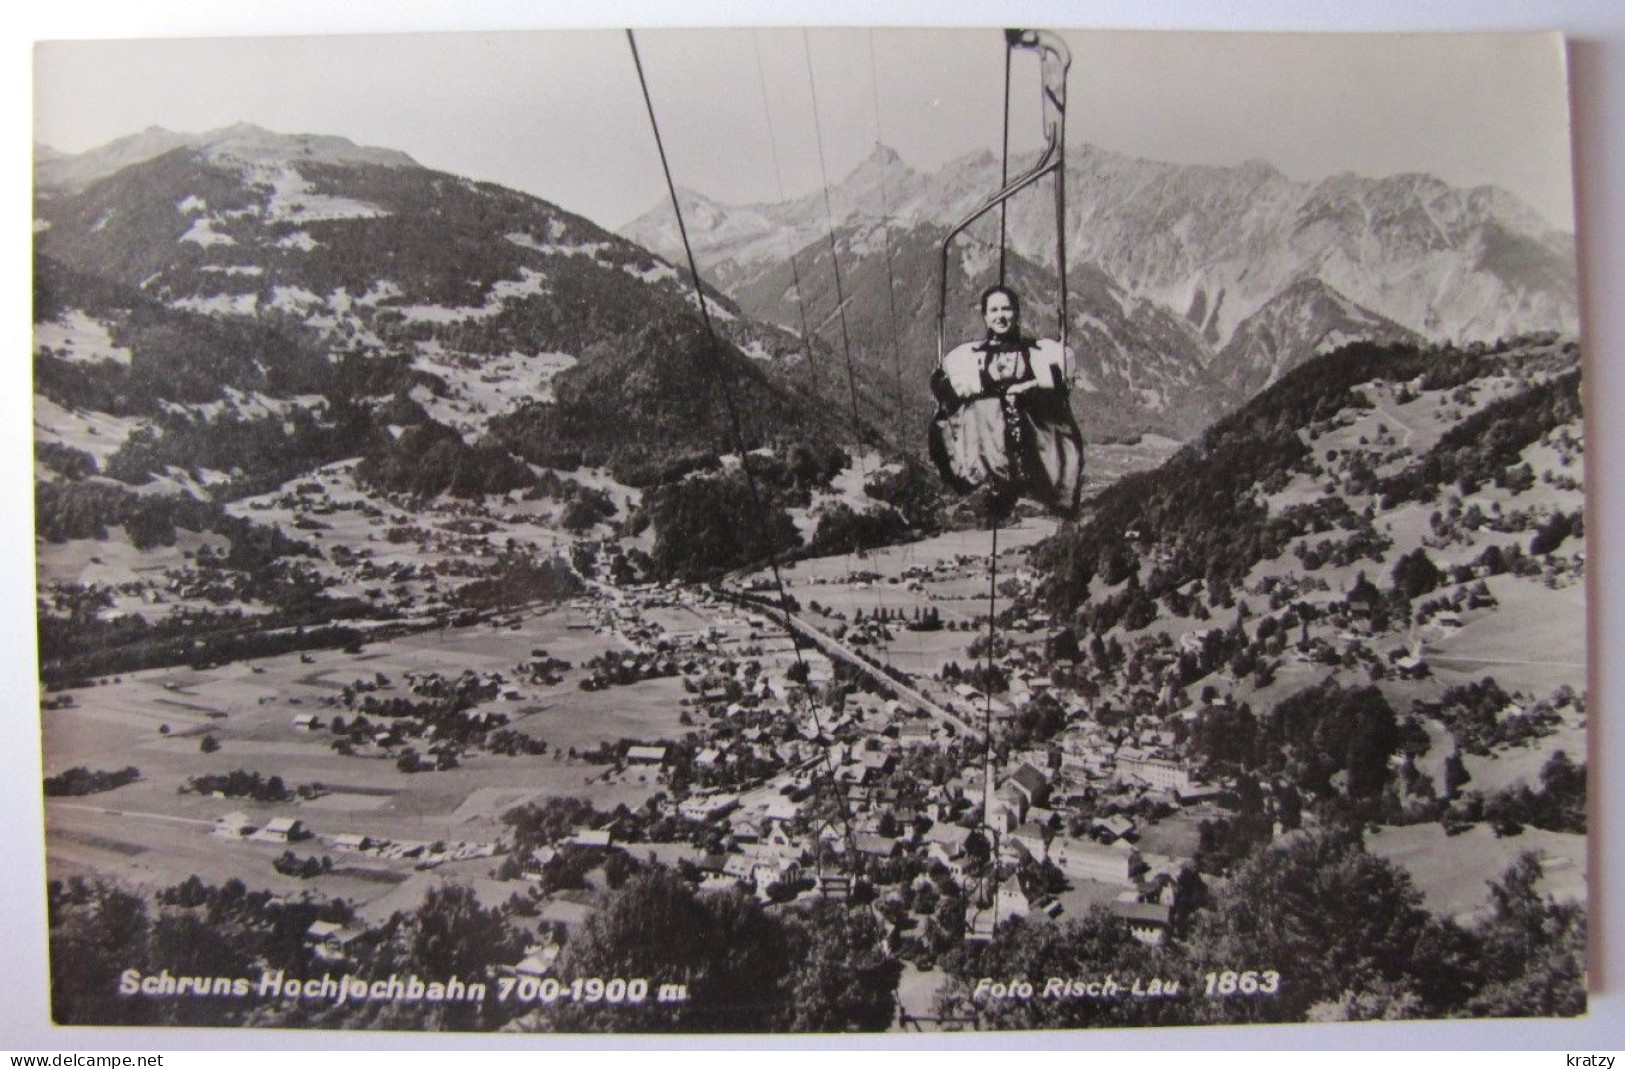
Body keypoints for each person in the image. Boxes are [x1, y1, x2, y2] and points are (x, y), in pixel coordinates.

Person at [928, 285, 1084, 519]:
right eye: (994, 311)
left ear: (1016, 313)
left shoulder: (1037, 353)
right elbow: (955, 397)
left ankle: (1035, 483)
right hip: (988, 441)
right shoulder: (972, 357)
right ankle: (989, 481)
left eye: (1006, 309)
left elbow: (1054, 394)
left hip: (1029, 436)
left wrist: (1023, 392)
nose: (1000, 316)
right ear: (985, 316)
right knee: (975, 412)